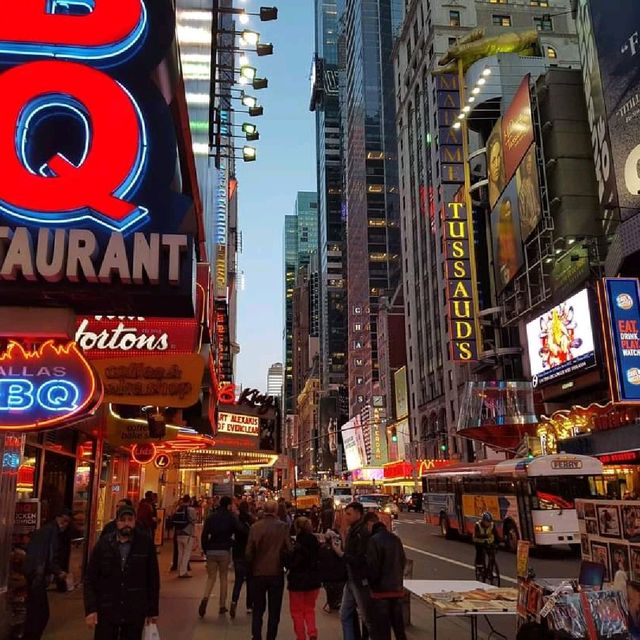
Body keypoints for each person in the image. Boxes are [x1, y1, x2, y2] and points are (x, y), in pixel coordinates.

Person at [84, 504, 159, 640]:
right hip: (107, 608)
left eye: (130, 520)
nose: (126, 524)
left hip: (134, 609)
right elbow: (91, 578)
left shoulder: (145, 544)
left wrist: (152, 610)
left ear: (135, 521)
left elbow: (153, 578)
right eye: (122, 520)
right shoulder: (104, 544)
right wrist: (91, 609)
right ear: (116, 522)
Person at [246, 499, 293, 640]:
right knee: (274, 611)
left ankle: (256, 636)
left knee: (258, 609)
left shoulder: (255, 527)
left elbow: (248, 552)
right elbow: (289, 549)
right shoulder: (283, 527)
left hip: (258, 573)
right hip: (276, 573)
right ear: (276, 510)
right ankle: (271, 637)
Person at [22, 509, 72, 640]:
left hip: (33, 574)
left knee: (34, 612)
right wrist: (58, 572)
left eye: (67, 522)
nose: (65, 524)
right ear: (58, 518)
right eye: (64, 520)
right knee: (41, 614)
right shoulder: (52, 532)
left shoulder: (45, 530)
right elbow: (50, 557)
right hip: (37, 576)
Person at [364, 512, 406, 640]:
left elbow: (373, 566)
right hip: (396, 589)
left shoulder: (373, 540)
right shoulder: (395, 539)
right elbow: (402, 560)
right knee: (399, 629)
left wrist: (371, 584)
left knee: (382, 630)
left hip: (380, 592)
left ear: (370, 524)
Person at [199, 496, 241, 617]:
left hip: (211, 550)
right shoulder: (231, 517)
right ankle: (222, 605)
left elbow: (204, 534)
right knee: (223, 578)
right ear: (228, 505)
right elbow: (239, 530)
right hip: (224, 550)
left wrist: (205, 549)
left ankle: (205, 598)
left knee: (211, 578)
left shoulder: (211, 517)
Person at [340, 501, 374, 640]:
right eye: (345, 514)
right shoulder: (353, 530)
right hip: (351, 578)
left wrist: (341, 554)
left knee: (366, 617)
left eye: (349, 514)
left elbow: (360, 558)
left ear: (358, 514)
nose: (346, 517)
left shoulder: (361, 532)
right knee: (345, 614)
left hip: (359, 579)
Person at [287, 517, 321, 640]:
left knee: (297, 611)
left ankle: (301, 636)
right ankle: (312, 632)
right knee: (310, 609)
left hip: (297, 581)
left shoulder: (297, 543)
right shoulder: (315, 541)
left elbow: (292, 562)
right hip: (313, 581)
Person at [231, 500, 255, 618]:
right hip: (249, 554)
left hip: (238, 553)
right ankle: (249, 605)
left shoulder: (235, 520)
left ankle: (234, 601)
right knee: (250, 580)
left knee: (238, 580)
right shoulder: (251, 521)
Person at [173, 494, 197, 578]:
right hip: (188, 533)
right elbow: (194, 521)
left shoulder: (178, 508)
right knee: (186, 554)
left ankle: (179, 570)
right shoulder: (191, 509)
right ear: (190, 500)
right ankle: (183, 572)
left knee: (180, 553)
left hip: (178, 533)